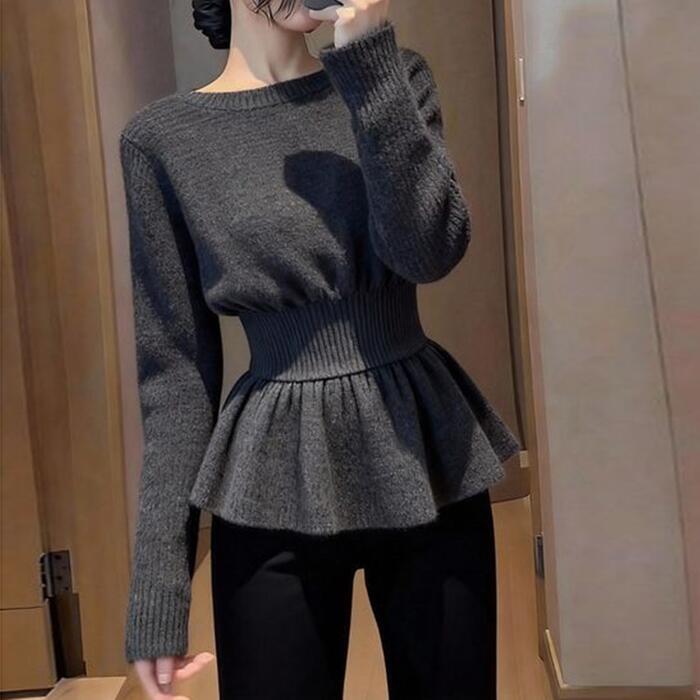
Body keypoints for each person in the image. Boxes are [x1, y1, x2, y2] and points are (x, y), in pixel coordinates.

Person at [119, 0, 522, 698]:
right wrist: (159, 586)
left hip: (426, 451)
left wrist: (368, 61)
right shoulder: (162, 140)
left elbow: (428, 253)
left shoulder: (395, 75)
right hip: (270, 474)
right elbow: (175, 374)